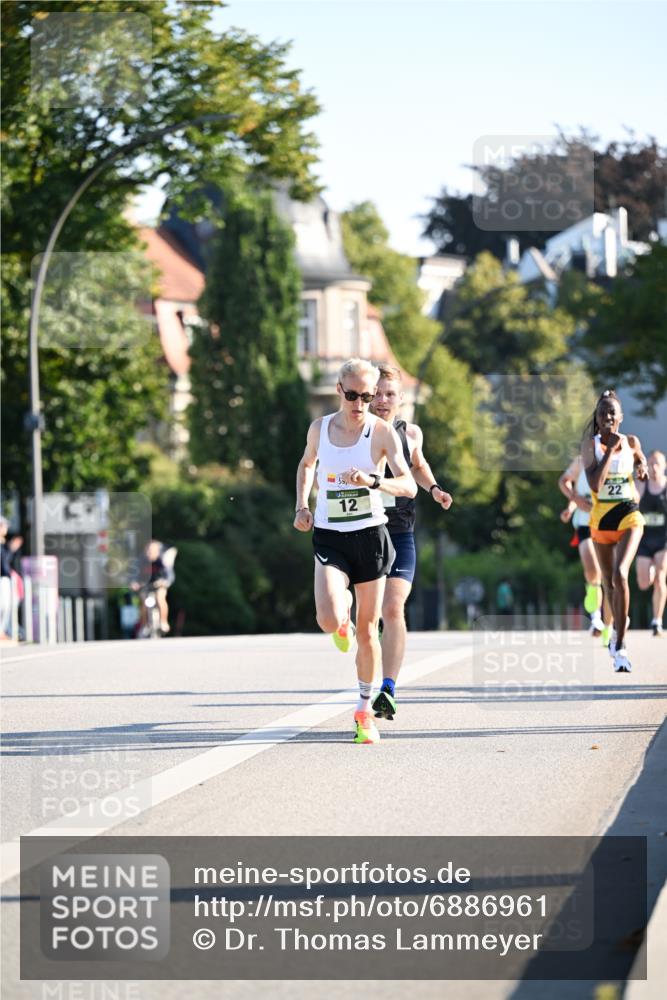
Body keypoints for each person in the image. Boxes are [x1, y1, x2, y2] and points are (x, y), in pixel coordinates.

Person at [294, 357, 417, 744]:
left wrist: (374, 481)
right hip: (330, 534)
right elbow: (306, 465)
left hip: (371, 536)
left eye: (367, 396)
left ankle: (364, 712)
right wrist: (302, 505)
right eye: (353, 395)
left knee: (368, 630)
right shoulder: (320, 429)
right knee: (328, 619)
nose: (360, 403)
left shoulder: (381, 434)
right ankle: (339, 621)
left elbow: (409, 486)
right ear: (339, 391)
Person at [368, 365, 452, 721]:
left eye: (390, 394)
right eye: (377, 393)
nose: (383, 400)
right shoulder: (356, 431)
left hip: (400, 532)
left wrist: (434, 489)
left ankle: (387, 688)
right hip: (363, 532)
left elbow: (418, 465)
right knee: (367, 615)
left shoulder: (411, 432)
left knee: (393, 608)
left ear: (401, 399)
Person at [582, 389, 648, 672]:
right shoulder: (590, 446)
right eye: (602, 413)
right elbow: (595, 484)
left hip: (629, 515)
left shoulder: (632, 441)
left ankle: (621, 644)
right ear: (597, 419)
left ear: (621, 417)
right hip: (601, 522)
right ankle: (617, 625)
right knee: (608, 584)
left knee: (621, 573)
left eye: (612, 412)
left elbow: (640, 462)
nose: (607, 417)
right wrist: (610, 450)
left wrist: (642, 467)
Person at [558, 454, 606, 637]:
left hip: (607, 523)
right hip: (585, 523)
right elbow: (564, 481)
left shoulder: (613, 459)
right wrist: (572, 505)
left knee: (607, 574)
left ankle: (609, 625)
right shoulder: (580, 461)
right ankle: (595, 617)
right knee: (592, 567)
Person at [635, 449, 667, 636]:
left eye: (658, 463)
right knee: (643, 583)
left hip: (663, 538)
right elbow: (631, 503)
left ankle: (657, 621)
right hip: (644, 539)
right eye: (651, 463)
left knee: (661, 576)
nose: (654, 467)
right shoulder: (641, 486)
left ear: (664, 466)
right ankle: (651, 571)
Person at [131, 539, 176, 636]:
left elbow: (169, 574)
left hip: (158, 584)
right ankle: (144, 624)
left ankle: (163, 622)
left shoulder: (161, 560)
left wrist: (166, 582)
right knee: (143, 601)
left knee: (160, 598)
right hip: (145, 585)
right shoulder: (141, 560)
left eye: (151, 551)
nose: (149, 554)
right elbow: (135, 573)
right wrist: (134, 583)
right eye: (147, 551)